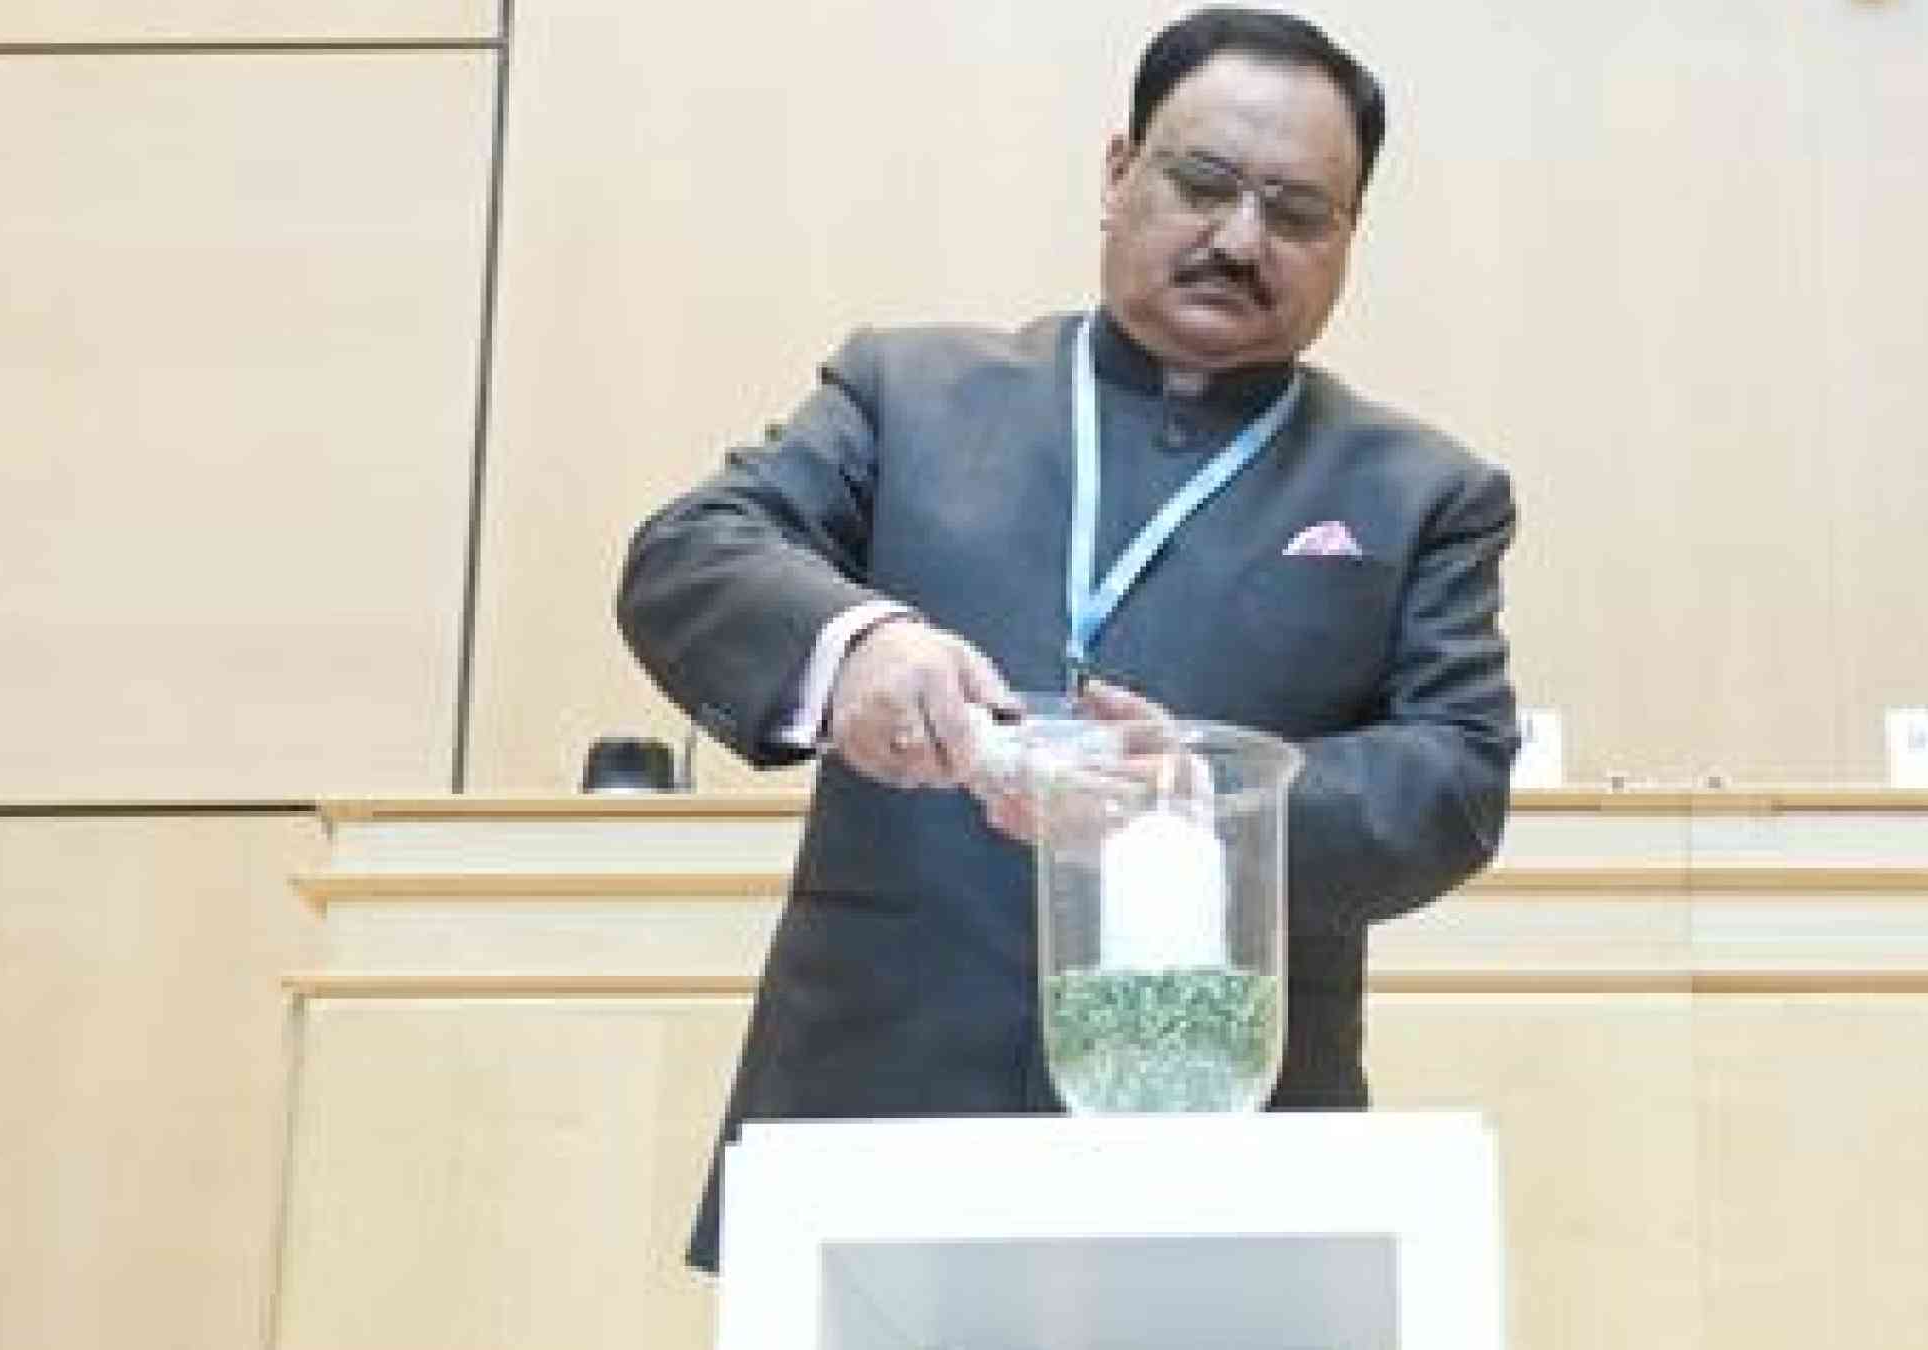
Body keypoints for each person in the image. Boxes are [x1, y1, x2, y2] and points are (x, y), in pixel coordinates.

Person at [618, 5, 1518, 1273]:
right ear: (1117, 173)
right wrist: (860, 646)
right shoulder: (912, 393)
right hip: (880, 1120)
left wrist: (1207, 803)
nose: (1239, 239)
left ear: (1350, 239)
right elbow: (693, 551)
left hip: (1232, 1146)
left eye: (1298, 212)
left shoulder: (1419, 491)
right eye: (1201, 184)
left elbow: (1459, 776)